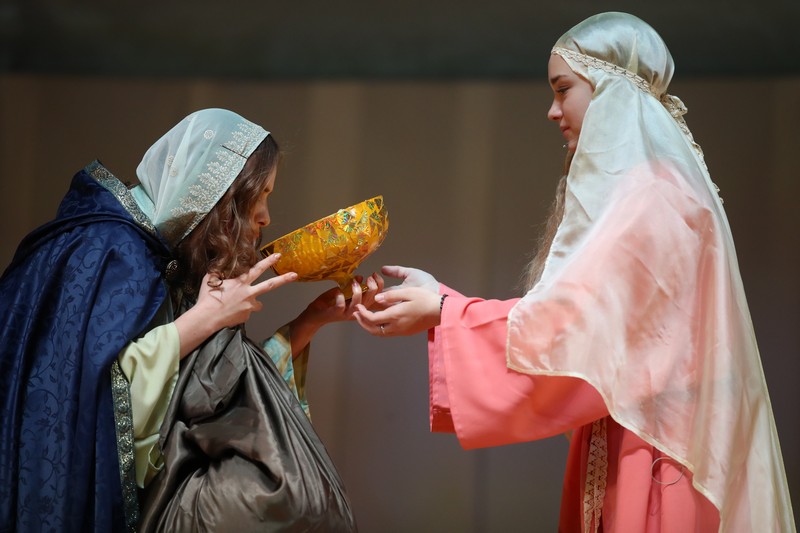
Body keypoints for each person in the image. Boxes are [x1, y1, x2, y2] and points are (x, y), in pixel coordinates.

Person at [353, 12, 795, 532]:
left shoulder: (654, 196)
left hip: (658, 449)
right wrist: (446, 306)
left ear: (610, 90)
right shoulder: (648, 191)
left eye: (563, 90)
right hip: (632, 433)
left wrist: (447, 311)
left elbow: (579, 326)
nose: (552, 110)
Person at [0, 108, 378, 532]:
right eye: (259, 194)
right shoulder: (104, 249)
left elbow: (203, 398)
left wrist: (309, 323)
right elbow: (90, 399)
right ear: (217, 189)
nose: (266, 217)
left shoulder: (161, 259)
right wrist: (204, 319)